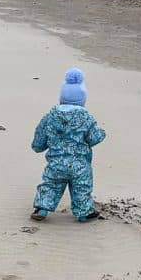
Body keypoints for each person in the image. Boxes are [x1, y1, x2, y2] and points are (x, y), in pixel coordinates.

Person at [30, 67, 106, 222]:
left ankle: (42, 208)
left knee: (50, 185)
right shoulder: (86, 118)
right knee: (82, 188)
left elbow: (39, 139)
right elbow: (94, 138)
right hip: (80, 165)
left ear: (61, 98)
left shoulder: (50, 117)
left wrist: (37, 146)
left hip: (56, 163)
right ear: (82, 101)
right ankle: (84, 212)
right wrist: (102, 133)